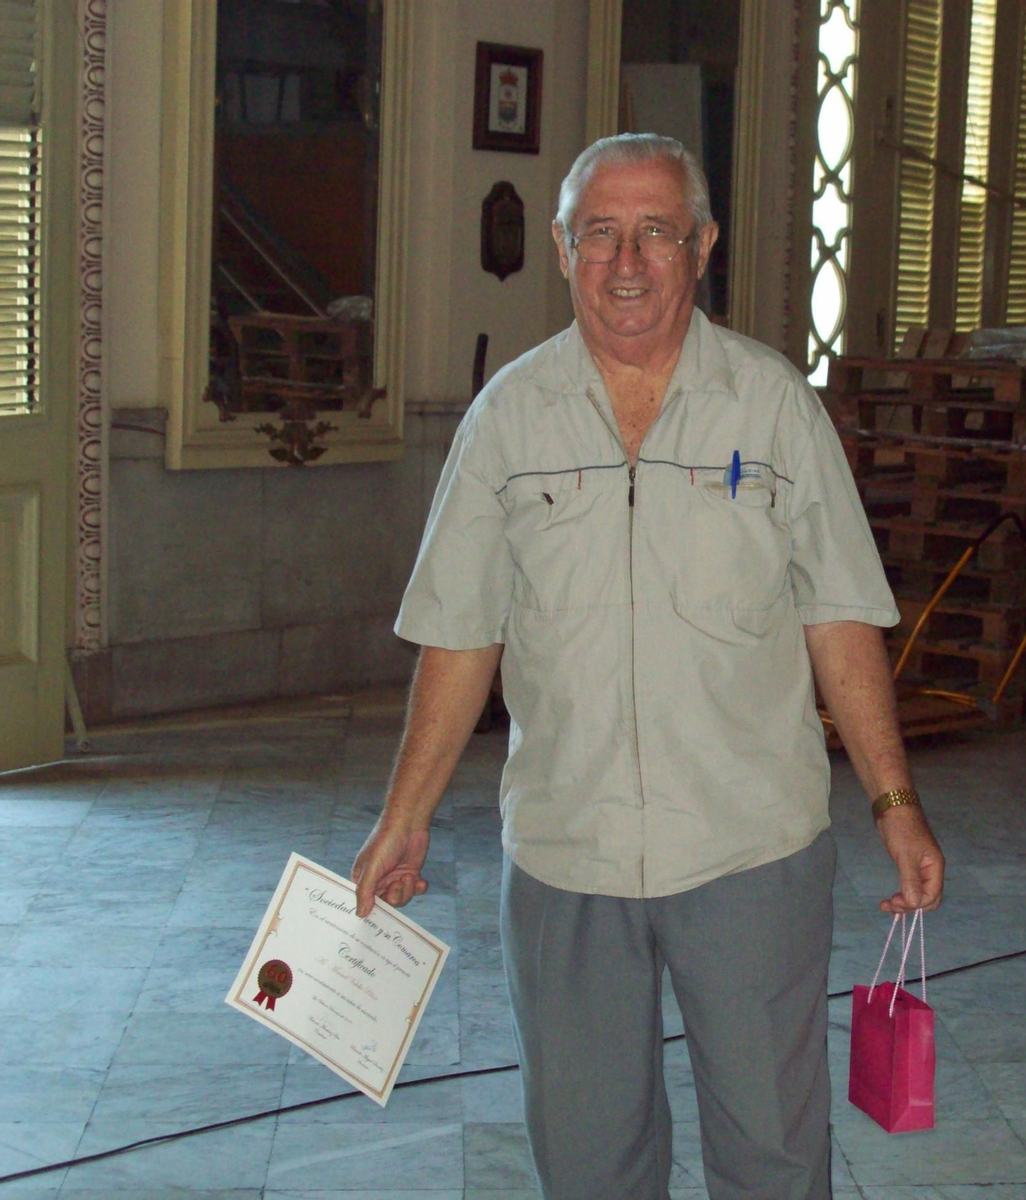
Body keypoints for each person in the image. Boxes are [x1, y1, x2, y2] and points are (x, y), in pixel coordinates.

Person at [352, 132, 943, 1200]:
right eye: (600, 235)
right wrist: (407, 814)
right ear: (562, 248)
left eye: (655, 232)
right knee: (586, 1162)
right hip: (566, 854)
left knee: (771, 1151)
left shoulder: (772, 409)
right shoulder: (508, 422)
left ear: (702, 244)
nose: (627, 263)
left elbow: (839, 620)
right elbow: (460, 635)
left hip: (749, 846)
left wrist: (893, 800)